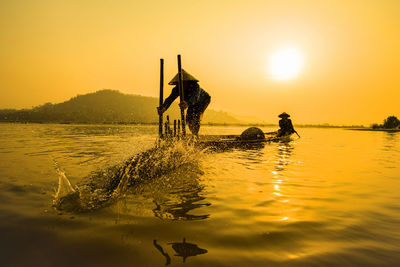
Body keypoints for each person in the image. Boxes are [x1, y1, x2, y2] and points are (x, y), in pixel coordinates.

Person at [157, 69, 211, 136]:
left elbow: (195, 97)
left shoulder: (195, 86)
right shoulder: (177, 89)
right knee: (189, 117)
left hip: (203, 100)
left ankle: (195, 135)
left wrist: (187, 103)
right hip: (191, 102)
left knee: (195, 115)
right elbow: (170, 99)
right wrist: (164, 107)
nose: (182, 85)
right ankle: (194, 134)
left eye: (184, 83)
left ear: (187, 82)